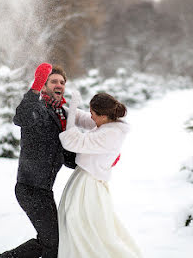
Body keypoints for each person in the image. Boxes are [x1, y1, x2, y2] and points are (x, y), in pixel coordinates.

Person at [0, 63, 95, 258]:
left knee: (50, 242)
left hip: (44, 190)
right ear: (44, 86)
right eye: (53, 81)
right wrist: (34, 87)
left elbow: (69, 157)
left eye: (62, 82)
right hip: (29, 188)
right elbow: (21, 117)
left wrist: (97, 158)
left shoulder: (62, 114)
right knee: (53, 244)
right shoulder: (38, 108)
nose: (59, 85)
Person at [57, 92, 143, 258]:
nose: (91, 117)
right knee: (76, 221)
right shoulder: (108, 124)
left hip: (89, 184)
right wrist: (60, 109)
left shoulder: (110, 134)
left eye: (93, 114)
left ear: (104, 115)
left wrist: (73, 107)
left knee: (80, 223)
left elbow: (72, 141)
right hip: (84, 178)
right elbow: (82, 119)